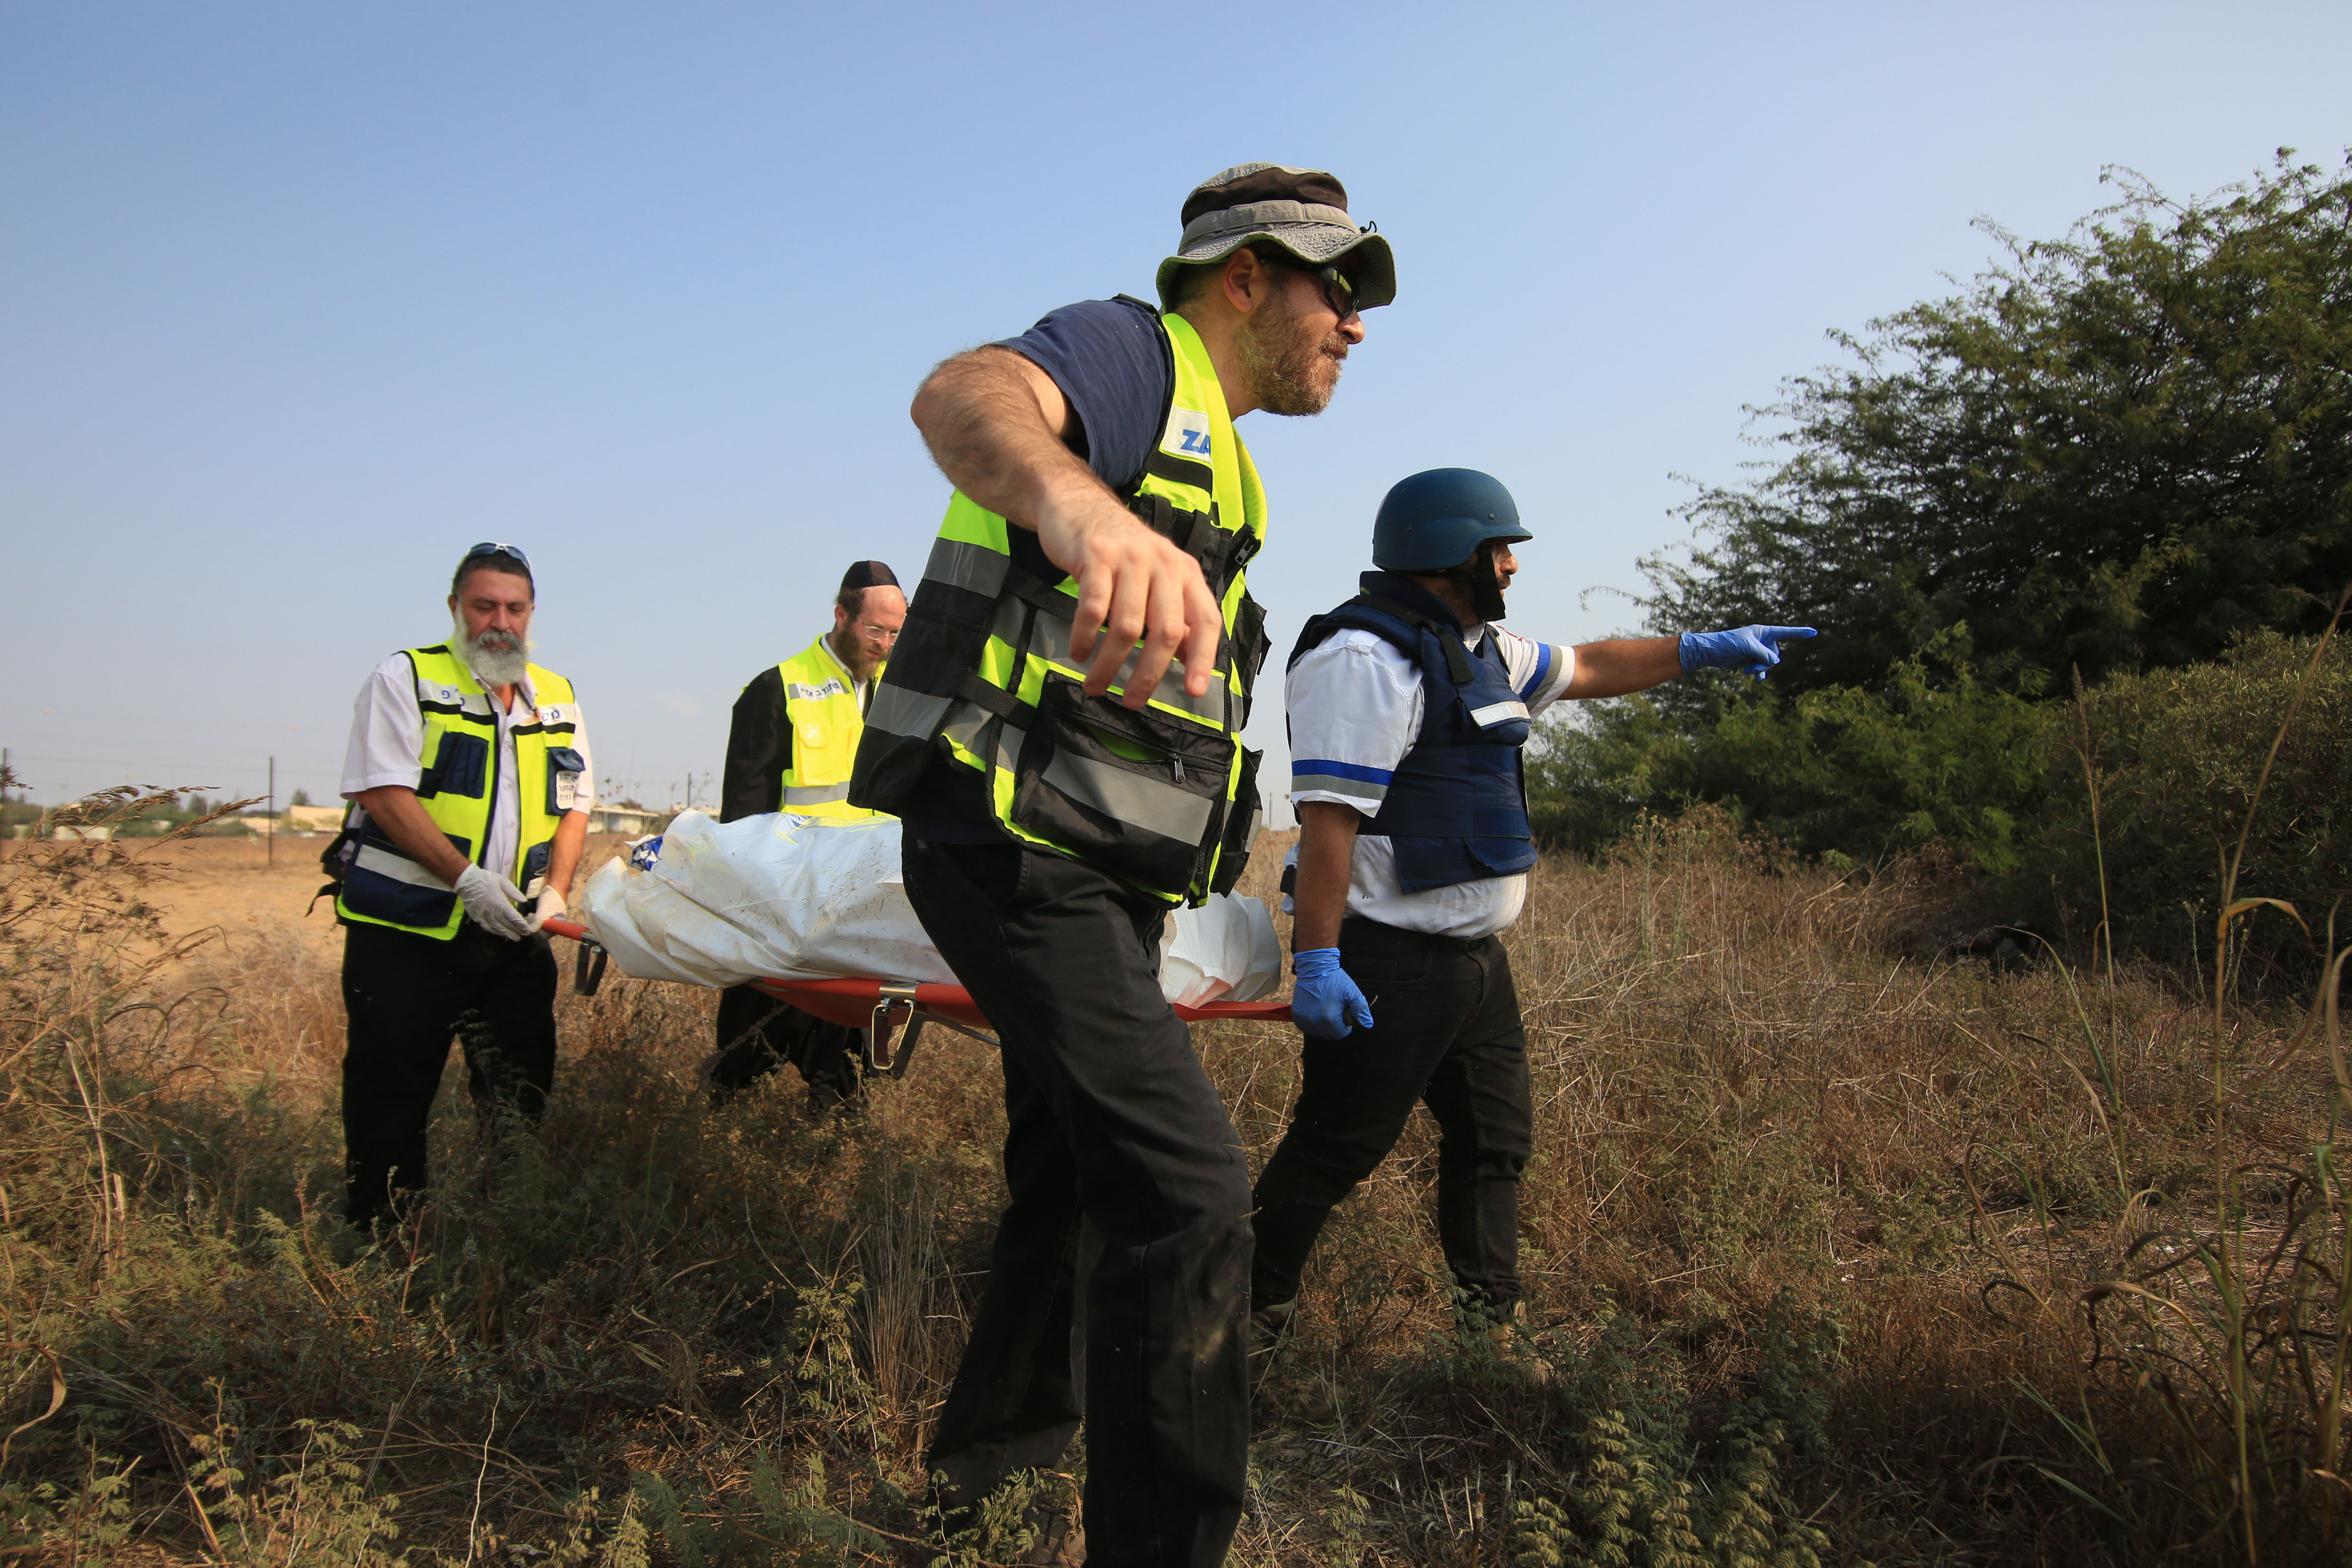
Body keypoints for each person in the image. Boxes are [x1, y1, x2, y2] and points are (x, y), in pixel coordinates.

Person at [849, 163, 1395, 1567]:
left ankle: (989, 1467)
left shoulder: (1221, 454)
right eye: (1336, 290)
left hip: (1086, 871)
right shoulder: (1127, 357)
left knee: (1074, 1173)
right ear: (1244, 278)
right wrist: (1072, 505)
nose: (1352, 325)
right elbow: (959, 394)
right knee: (1188, 1189)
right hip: (1011, 853)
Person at [1251, 468, 1816, 1352]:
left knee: (1494, 1143)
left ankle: (1490, 1331)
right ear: (1447, 555)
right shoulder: (1364, 659)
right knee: (1333, 1151)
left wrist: (1697, 648)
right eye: (1496, 549)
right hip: (1389, 961)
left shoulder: (1480, 648)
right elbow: (1328, 828)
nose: (1511, 565)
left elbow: (1587, 665)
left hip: (1477, 966)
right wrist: (1316, 960)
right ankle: (1245, 1316)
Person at [331, 542, 594, 1231]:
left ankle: (504, 1233)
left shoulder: (558, 695)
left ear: (532, 614)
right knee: (390, 1096)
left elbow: (575, 806)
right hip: (407, 934)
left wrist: (557, 890)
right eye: (484, 606)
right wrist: (466, 879)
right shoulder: (407, 678)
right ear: (456, 609)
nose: (498, 622)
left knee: (519, 1096)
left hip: (513, 938)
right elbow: (385, 793)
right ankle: (382, 1245)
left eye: (513, 607)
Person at [705, 561, 908, 1107]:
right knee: (743, 1067)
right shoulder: (776, 690)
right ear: (842, 615)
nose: (885, 644)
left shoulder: (903, 700)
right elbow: (742, 823)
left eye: (895, 633)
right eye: (874, 630)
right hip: (784, 919)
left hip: (866, 920)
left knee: (849, 1084)